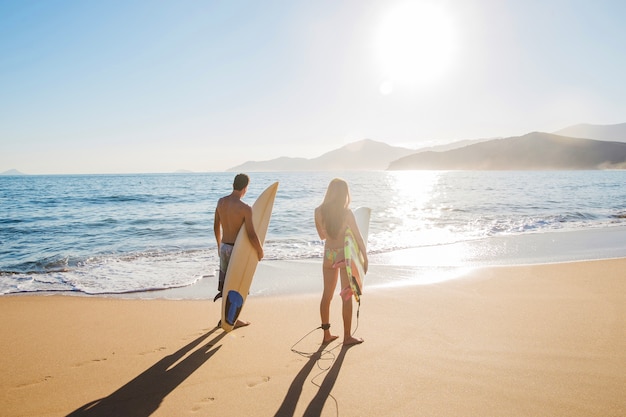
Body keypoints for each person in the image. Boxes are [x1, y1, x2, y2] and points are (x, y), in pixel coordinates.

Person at [314, 178, 367, 346]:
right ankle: (347, 337)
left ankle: (326, 335)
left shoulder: (318, 211)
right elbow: (358, 238)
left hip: (328, 255)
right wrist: (365, 257)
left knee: (326, 296)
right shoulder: (347, 213)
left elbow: (322, 236)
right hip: (343, 256)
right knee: (346, 296)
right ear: (344, 194)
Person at [213, 173, 264, 328]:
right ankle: (233, 320)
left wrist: (219, 245)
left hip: (224, 248)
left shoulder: (221, 202)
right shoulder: (245, 208)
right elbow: (251, 233)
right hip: (237, 252)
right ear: (245, 188)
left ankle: (224, 318)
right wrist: (259, 250)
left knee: (225, 286)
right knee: (238, 285)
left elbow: (215, 226)